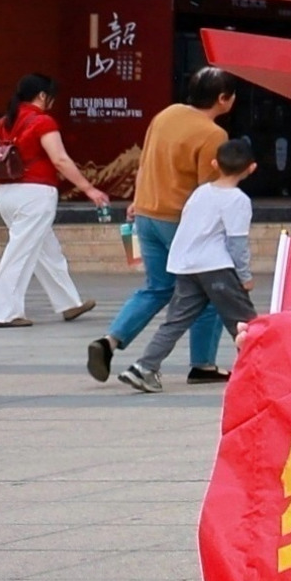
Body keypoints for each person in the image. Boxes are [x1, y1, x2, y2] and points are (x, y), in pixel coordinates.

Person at [96, 66, 236, 384]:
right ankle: (202, 364)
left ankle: (110, 340)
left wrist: (137, 199)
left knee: (156, 288)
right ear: (223, 98)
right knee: (209, 291)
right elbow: (209, 190)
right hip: (179, 222)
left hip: (146, 214)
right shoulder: (213, 134)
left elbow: (145, 161)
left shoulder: (166, 115)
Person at [107, 134, 260, 391]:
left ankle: (145, 367)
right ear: (251, 168)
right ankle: (261, 369)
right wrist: (244, 276)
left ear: (214, 164)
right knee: (245, 321)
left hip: (186, 265)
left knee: (175, 321)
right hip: (217, 268)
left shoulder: (200, 193)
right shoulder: (238, 200)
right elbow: (236, 243)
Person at [0, 72, 98, 328]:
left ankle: (68, 303)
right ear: (43, 95)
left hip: (6, 193)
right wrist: (88, 188)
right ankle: (1, 312)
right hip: (35, 194)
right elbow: (60, 160)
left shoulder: (3, 123)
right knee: (20, 254)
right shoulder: (43, 122)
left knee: (47, 251)